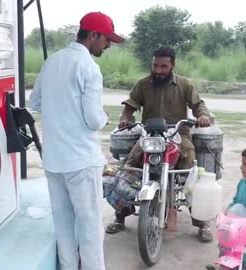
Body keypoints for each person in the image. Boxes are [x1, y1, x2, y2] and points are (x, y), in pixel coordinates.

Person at [29, 11, 124, 270]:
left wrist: (59, 111)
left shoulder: (52, 62)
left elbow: (34, 102)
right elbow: (94, 120)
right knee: (90, 228)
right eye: (106, 39)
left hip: (54, 161)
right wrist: (105, 117)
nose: (108, 45)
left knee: (63, 225)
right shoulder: (89, 67)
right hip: (81, 161)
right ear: (93, 35)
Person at [105, 47, 214, 242]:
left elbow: (198, 105)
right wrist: (125, 118)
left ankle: (200, 223)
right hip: (150, 134)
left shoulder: (184, 84)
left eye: (164, 66)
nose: (158, 70)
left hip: (178, 133)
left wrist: (203, 116)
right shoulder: (143, 84)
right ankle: (121, 216)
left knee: (191, 171)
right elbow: (130, 106)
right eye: (155, 65)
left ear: (172, 65)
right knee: (129, 167)